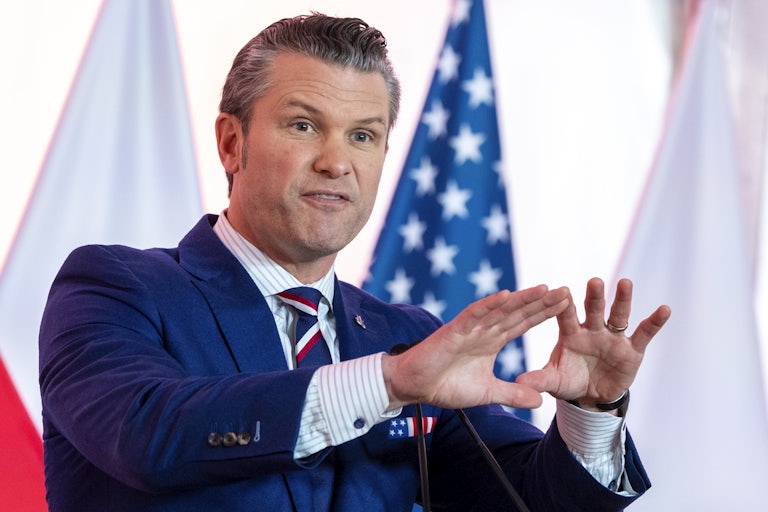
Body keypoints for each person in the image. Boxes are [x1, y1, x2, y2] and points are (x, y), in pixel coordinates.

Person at [38, 13, 670, 512]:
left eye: (363, 135)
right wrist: (386, 385)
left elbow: (529, 499)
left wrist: (590, 412)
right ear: (233, 143)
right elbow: (149, 437)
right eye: (304, 126)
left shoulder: (408, 336)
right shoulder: (113, 287)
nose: (337, 162)